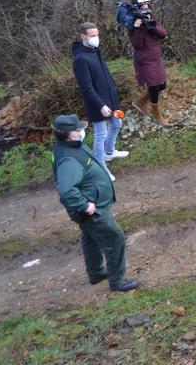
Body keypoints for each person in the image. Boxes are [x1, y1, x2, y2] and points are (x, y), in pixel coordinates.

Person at [51, 114, 138, 292]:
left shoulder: (70, 146)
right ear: (71, 135)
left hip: (92, 206)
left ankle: (96, 273)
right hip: (92, 209)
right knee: (115, 238)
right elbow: (66, 190)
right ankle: (117, 281)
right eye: (78, 129)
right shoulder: (69, 159)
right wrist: (84, 205)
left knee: (90, 237)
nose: (82, 131)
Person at [72, 22, 127, 181]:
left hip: (109, 98)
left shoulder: (95, 50)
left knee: (116, 123)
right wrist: (101, 105)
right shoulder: (80, 59)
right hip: (96, 103)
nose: (96, 38)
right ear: (83, 36)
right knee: (101, 133)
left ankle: (109, 152)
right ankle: (101, 167)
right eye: (92, 35)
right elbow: (86, 87)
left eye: (97, 34)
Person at [124, 0, 170, 126]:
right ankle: (157, 116)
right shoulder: (133, 24)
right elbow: (137, 44)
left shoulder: (150, 19)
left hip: (155, 59)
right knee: (154, 86)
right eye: (143, 5)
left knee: (162, 85)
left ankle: (139, 102)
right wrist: (139, 27)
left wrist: (150, 24)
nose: (146, 7)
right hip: (144, 61)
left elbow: (163, 34)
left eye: (147, 5)